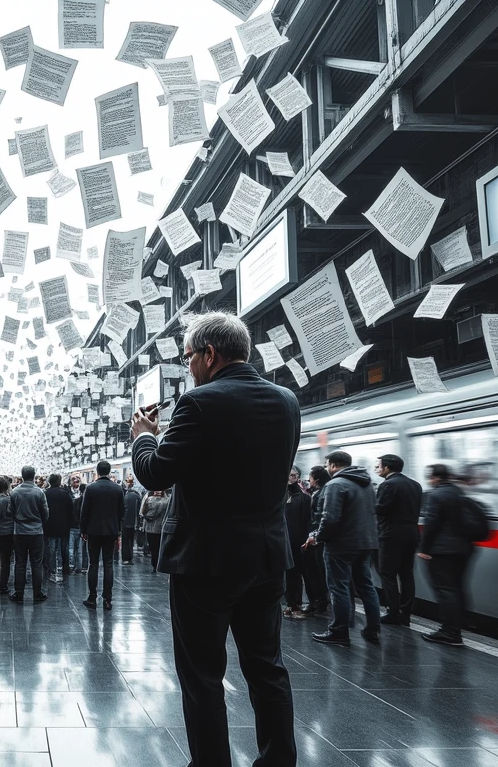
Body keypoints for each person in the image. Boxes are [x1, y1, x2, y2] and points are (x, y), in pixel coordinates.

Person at [131, 312, 299, 767]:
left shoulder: (199, 403)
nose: (188, 367)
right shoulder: (287, 401)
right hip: (266, 559)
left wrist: (145, 438)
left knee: (202, 675)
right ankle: (279, 760)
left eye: (188, 358)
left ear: (209, 354)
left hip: (205, 563)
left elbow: (155, 473)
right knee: (267, 669)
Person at [306, 451, 382, 647]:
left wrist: (318, 537)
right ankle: (373, 629)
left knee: (338, 587)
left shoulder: (335, 485)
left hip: (341, 544)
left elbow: (330, 518)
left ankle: (339, 631)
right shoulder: (367, 484)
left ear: (332, 465)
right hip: (366, 543)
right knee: (366, 586)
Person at [416, 464, 472, 646]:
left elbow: (431, 524)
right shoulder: (459, 492)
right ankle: (459, 626)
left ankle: (450, 632)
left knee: (445, 590)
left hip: (442, 550)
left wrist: (424, 548)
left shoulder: (435, 495)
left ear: (434, 477)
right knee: (456, 588)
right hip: (463, 548)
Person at [375, 454, 423, 626]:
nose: (376, 469)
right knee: (406, 574)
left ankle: (393, 612)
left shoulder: (387, 485)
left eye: (378, 466)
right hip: (411, 533)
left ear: (387, 468)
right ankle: (406, 613)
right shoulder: (415, 485)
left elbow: (380, 510)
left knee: (387, 574)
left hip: (391, 534)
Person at [79, 460, 125, 610]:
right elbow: (121, 512)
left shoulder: (90, 488)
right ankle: (107, 600)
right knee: (108, 564)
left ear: (97, 472)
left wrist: (83, 530)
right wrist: (118, 529)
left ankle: (92, 598)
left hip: (93, 531)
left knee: (93, 564)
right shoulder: (117, 489)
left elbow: (84, 512)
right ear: (110, 471)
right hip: (110, 531)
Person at [9, 466, 50, 602]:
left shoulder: (14, 492)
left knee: (20, 563)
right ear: (34, 475)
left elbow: (10, 511)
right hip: (36, 531)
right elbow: (45, 513)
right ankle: (37, 593)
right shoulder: (39, 492)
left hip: (19, 531)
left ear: (22, 475)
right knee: (36, 564)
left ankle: (19, 593)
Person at [283, 468, 312, 620]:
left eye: (293, 475)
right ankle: (289, 604)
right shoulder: (281, 497)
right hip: (284, 541)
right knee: (288, 574)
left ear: (298, 477)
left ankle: (295, 604)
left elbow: (306, 522)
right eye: (288, 475)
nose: (290, 478)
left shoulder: (304, 498)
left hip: (296, 542)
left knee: (295, 574)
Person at [302, 467, 331, 615]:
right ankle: (321, 601)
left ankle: (319, 602)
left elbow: (318, 518)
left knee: (315, 572)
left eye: (311, 477)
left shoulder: (319, 494)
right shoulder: (323, 491)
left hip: (316, 539)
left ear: (317, 479)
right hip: (321, 538)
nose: (309, 480)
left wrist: (313, 535)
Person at [44, 474, 74, 582]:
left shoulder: (45, 493)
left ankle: (51, 571)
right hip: (64, 526)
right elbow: (71, 509)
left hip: (50, 526)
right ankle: (65, 568)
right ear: (59, 481)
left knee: (51, 550)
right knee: (64, 549)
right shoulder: (65, 494)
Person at [141, 490, 168, 572]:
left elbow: (144, 513)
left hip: (151, 528)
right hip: (162, 528)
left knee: (153, 548)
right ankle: (160, 563)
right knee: (160, 547)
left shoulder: (149, 499)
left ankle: (154, 564)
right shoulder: (167, 500)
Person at [68, 475, 87, 573]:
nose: (76, 484)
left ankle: (75, 566)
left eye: (77, 482)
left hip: (75, 526)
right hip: (76, 525)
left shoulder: (71, 495)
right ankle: (75, 566)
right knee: (76, 548)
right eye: (74, 482)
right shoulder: (82, 496)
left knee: (75, 548)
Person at [121, 477, 143, 565]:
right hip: (134, 523)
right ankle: (130, 558)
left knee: (125, 541)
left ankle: (125, 558)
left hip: (125, 522)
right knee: (131, 542)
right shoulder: (137, 496)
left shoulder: (124, 496)